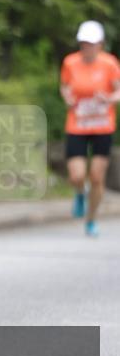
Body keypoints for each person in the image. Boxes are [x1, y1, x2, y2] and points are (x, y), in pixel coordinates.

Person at [60, 20, 120, 237]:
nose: (88, 48)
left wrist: (109, 98)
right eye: (84, 43)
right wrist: (67, 98)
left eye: (92, 44)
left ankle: (91, 220)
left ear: (100, 44)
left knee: (96, 176)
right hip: (77, 124)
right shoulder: (70, 63)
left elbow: (118, 92)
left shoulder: (110, 64)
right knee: (77, 175)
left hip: (102, 125)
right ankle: (79, 193)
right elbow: (65, 87)